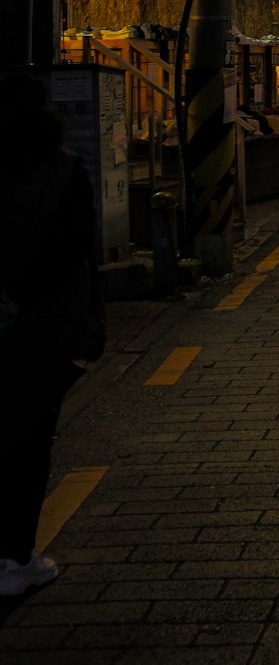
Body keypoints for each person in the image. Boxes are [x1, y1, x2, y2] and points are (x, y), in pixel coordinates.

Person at [0, 73, 105, 597]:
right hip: (43, 330)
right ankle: (15, 556)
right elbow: (74, 253)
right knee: (28, 443)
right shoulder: (65, 171)